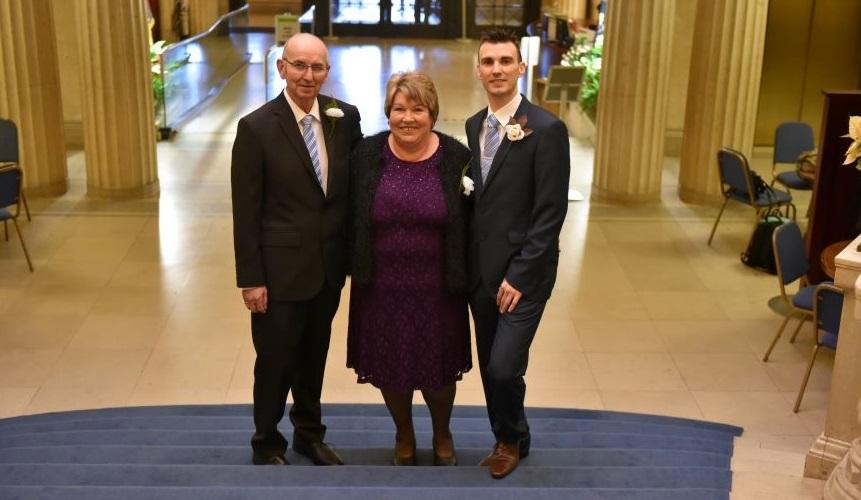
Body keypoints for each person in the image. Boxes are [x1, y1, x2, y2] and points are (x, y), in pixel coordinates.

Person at [231, 33, 362, 466]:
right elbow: (245, 211)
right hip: (279, 272)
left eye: (317, 67)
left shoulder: (345, 118)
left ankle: (309, 434)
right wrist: (251, 279)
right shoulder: (256, 128)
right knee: (275, 361)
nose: (308, 76)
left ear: (327, 71)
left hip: (327, 269)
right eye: (299, 66)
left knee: (313, 357)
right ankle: (266, 441)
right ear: (281, 68)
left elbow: (354, 190)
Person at [347, 71, 472, 467]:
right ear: (387, 113)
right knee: (390, 366)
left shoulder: (456, 158)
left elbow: (471, 224)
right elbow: (349, 215)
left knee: (438, 372)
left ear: (432, 113)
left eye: (417, 109)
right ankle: (403, 432)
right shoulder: (367, 156)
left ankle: (441, 431)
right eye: (399, 109)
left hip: (438, 287)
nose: (407, 118)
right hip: (381, 286)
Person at [465, 28, 570, 479]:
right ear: (479, 69)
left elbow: (550, 213)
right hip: (481, 273)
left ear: (520, 67)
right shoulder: (474, 126)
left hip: (526, 274)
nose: (496, 70)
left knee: (505, 365)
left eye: (505, 61)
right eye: (488, 62)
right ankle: (507, 432)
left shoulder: (546, 129)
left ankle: (512, 438)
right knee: (491, 366)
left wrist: (520, 276)